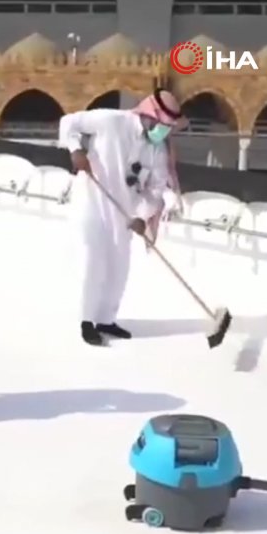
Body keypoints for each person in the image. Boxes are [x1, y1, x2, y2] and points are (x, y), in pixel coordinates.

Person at [58, 89, 185, 346]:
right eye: (163, 125)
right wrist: (75, 150)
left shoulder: (156, 150)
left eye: (169, 128)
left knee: (119, 266)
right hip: (92, 201)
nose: (164, 132)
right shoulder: (112, 121)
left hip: (124, 213)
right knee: (94, 259)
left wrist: (142, 214)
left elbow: (156, 189)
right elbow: (69, 122)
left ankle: (106, 320)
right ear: (150, 116)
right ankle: (87, 321)